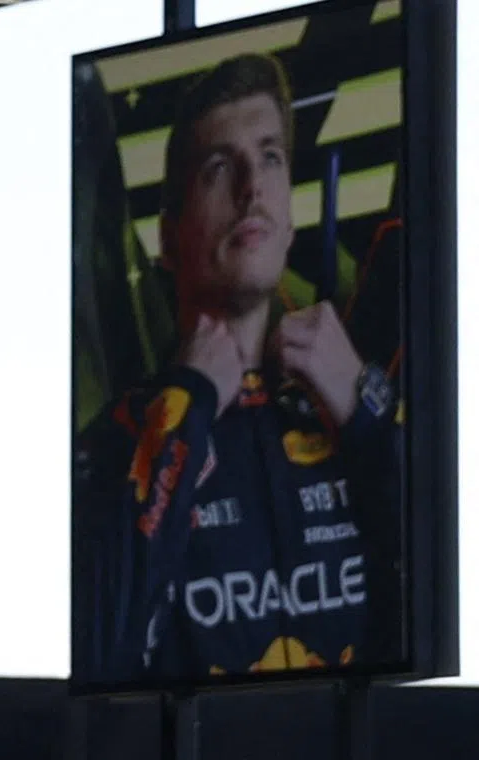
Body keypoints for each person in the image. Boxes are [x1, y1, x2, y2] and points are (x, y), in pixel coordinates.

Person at [76, 53, 402, 682]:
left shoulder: (355, 396)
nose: (253, 186)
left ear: (290, 215)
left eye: (271, 158)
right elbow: (100, 644)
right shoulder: (119, 433)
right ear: (169, 238)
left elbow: (440, 583)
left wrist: (365, 404)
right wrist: (185, 402)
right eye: (220, 167)